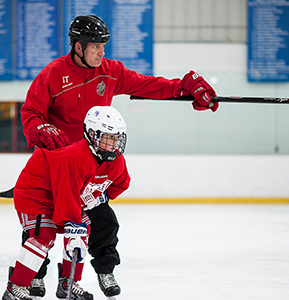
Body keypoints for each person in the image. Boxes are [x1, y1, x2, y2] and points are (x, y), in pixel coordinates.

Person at [20, 15, 219, 298]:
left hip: (91, 165)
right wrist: (40, 127)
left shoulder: (110, 71)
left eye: (103, 46)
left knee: (105, 223)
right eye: (95, 46)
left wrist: (181, 87)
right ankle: (35, 276)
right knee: (42, 223)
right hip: (56, 164)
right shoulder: (53, 73)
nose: (102, 52)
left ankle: (104, 270)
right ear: (78, 47)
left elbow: (147, 85)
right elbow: (31, 112)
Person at [2, 106, 130, 300]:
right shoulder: (74, 156)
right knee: (44, 236)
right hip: (36, 193)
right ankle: (16, 286)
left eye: (117, 137)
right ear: (92, 135)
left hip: (59, 194)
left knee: (82, 230)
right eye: (108, 137)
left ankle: (68, 283)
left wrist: (99, 197)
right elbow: (66, 194)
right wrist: (72, 222)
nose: (114, 143)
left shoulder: (116, 161)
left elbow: (120, 183)